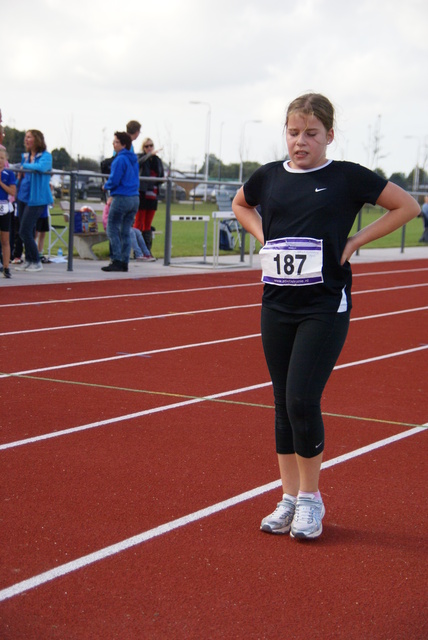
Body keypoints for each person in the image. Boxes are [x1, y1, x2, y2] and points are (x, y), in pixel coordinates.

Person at [232, 93, 420, 540]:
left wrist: (355, 242)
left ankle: (312, 500)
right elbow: (243, 205)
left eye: (311, 134)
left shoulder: (347, 177)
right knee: (281, 402)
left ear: (329, 135)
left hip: (324, 304)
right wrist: (264, 235)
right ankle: (289, 498)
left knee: (301, 399)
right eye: (293, 133)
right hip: (276, 302)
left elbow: (407, 206)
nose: (301, 142)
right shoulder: (269, 177)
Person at [15, 130, 53, 272]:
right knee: (25, 231)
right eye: (25, 137)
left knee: (24, 231)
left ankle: (36, 261)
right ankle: (30, 260)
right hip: (23, 197)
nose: (26, 139)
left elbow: (42, 168)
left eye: (29, 137)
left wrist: (24, 166)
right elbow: (21, 172)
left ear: (36, 139)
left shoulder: (46, 156)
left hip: (37, 199)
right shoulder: (25, 157)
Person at [102, 131, 140, 272]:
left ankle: (116, 259)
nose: (114, 144)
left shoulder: (119, 159)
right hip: (134, 198)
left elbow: (115, 179)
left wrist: (106, 186)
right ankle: (124, 261)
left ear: (123, 144)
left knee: (112, 227)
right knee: (125, 230)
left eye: (116, 142)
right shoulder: (133, 159)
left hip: (122, 196)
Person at [133, 137, 164, 254]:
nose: (150, 148)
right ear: (143, 148)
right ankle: (137, 251)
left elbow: (160, 175)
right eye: (147, 146)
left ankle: (147, 251)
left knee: (148, 224)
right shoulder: (140, 157)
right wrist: (148, 156)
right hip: (142, 194)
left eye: (151, 146)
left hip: (153, 195)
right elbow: (137, 164)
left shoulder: (157, 160)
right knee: (138, 222)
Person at [0, 148, 17, 278]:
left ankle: (6, 267)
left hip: (4, 208)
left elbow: (12, 192)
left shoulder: (8, 174)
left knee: (5, 240)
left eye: (1, 158)